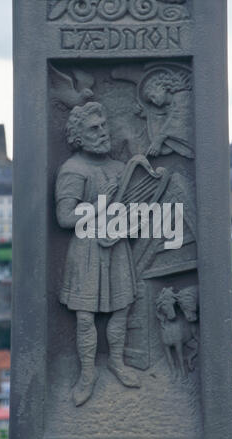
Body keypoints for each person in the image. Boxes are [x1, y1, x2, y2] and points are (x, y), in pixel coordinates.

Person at [55, 102, 140, 406]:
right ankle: (87, 374)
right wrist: (101, 207)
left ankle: (116, 361)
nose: (103, 132)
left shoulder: (120, 169)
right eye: (94, 128)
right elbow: (65, 217)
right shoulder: (73, 170)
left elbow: (135, 214)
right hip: (87, 251)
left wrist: (125, 225)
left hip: (116, 248)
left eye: (104, 125)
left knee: (121, 309)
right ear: (78, 136)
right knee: (85, 315)